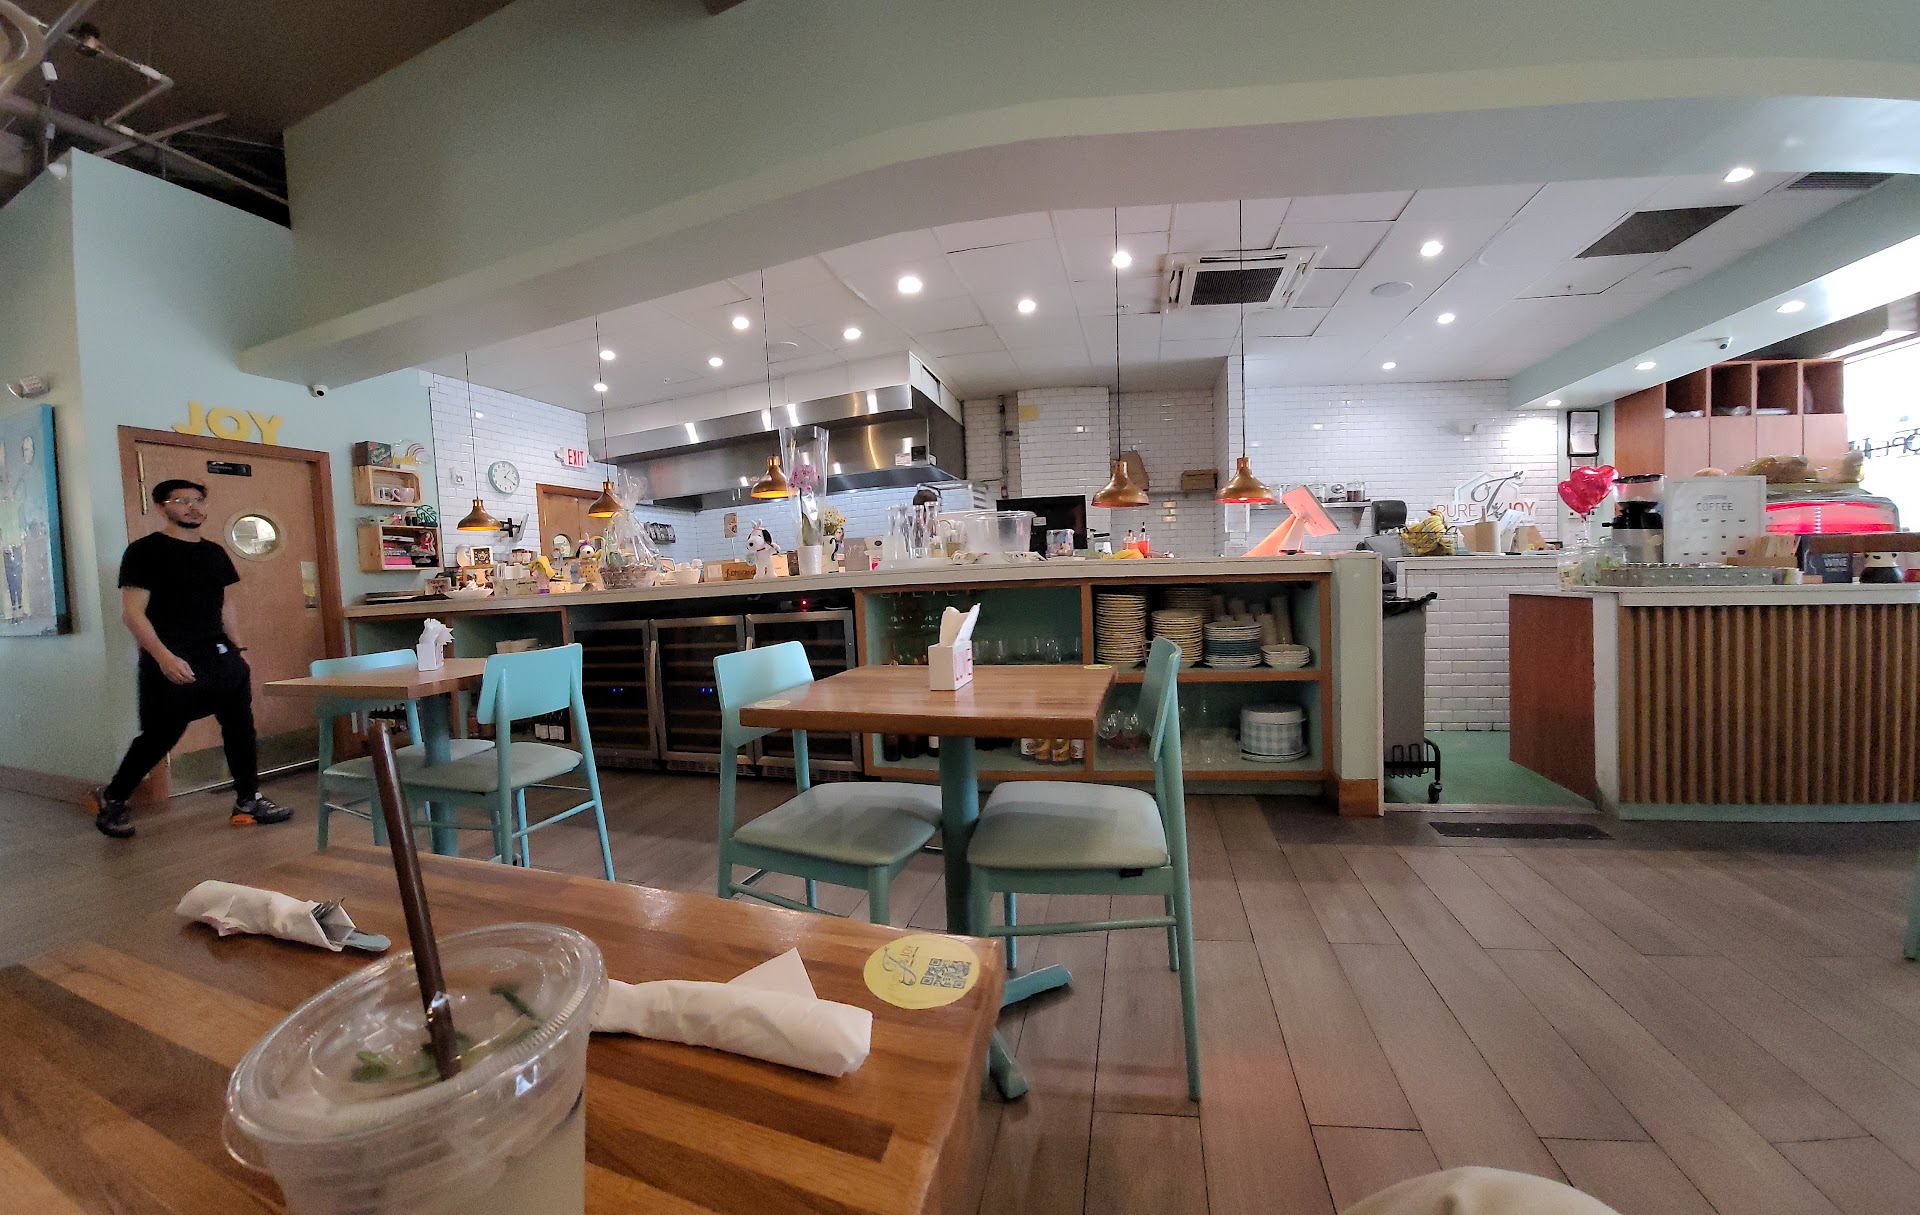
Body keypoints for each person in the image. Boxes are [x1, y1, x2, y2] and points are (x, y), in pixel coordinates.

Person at [91, 479, 291, 838]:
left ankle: (248, 800)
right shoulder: (144, 552)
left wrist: (238, 650)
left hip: (220, 657)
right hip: (171, 659)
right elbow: (133, 614)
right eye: (182, 501)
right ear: (161, 507)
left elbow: (224, 605)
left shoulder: (214, 553)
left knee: (240, 728)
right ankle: (114, 797)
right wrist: (164, 658)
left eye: (198, 500)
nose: (193, 507)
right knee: (160, 736)